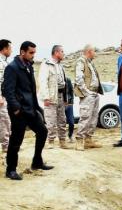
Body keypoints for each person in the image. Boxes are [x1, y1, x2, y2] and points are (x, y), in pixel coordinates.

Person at [2, 41, 53, 180]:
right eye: (31, 53)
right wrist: (16, 109)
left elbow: (31, 90)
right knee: (16, 141)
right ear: (22, 52)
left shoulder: (29, 66)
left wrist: (37, 107)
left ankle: (37, 162)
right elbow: (7, 90)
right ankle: (10, 170)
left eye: (34, 53)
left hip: (31, 108)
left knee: (42, 131)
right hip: (19, 111)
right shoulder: (12, 68)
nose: (33, 55)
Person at [38, 45, 70, 149]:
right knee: (50, 120)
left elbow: (64, 83)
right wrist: (46, 97)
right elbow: (43, 81)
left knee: (62, 119)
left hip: (60, 95)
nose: (63, 53)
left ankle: (62, 141)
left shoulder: (61, 66)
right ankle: (50, 141)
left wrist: (65, 98)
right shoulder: (47, 64)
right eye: (62, 51)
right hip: (51, 96)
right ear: (56, 52)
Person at [74, 44, 104, 151]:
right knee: (85, 117)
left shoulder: (90, 63)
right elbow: (79, 78)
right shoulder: (81, 61)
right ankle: (79, 140)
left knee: (93, 118)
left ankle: (88, 139)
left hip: (94, 94)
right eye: (94, 51)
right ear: (89, 51)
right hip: (88, 94)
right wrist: (86, 92)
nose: (95, 53)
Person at [0, 39, 12, 160]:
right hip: (1, 98)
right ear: (4, 49)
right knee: (4, 122)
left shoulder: (4, 62)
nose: (11, 50)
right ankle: (6, 147)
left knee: (5, 121)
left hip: (5, 97)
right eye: (10, 48)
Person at [65, 77, 75, 142]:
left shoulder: (68, 80)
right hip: (60, 104)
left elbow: (71, 91)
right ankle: (61, 138)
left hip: (69, 104)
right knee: (61, 123)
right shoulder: (54, 79)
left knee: (71, 122)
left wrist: (71, 102)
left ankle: (70, 135)